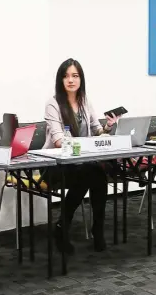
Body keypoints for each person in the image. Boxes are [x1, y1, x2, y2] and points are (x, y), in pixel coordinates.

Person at [43, 58, 119, 254]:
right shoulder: (53, 104)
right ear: (60, 80)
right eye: (66, 76)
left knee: (95, 173)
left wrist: (109, 126)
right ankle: (71, 226)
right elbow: (60, 141)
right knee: (92, 172)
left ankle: (89, 227)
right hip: (55, 164)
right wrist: (88, 145)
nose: (71, 80)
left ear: (81, 79)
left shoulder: (85, 101)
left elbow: (97, 131)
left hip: (82, 163)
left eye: (75, 76)